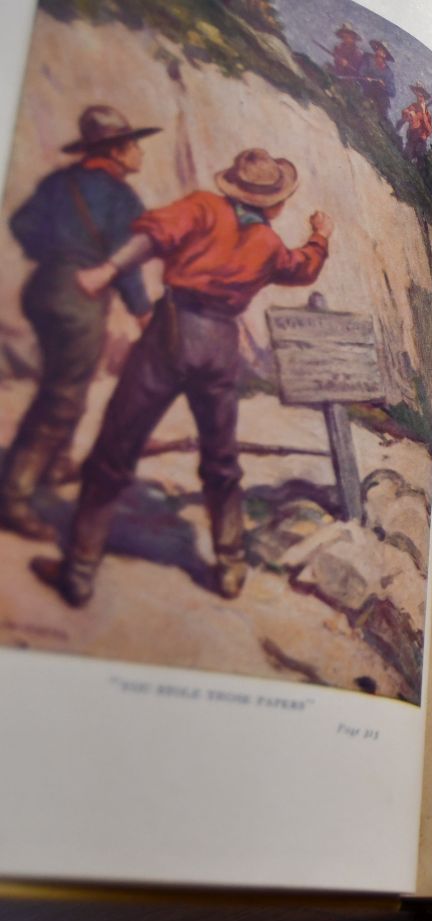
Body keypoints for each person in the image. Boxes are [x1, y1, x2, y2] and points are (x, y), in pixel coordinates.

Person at [32, 148, 333, 607]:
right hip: (219, 344)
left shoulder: (203, 207)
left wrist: (106, 271)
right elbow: (303, 267)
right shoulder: (268, 244)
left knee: (116, 445)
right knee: (221, 458)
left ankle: (78, 571)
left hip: (172, 332)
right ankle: (231, 566)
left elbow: (152, 237)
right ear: (273, 204)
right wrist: (320, 237)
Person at [2, 105, 159, 542]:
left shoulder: (59, 182)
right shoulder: (122, 198)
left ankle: (54, 466)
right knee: (63, 396)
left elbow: (21, 223)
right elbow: (125, 265)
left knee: (64, 380)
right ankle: (13, 497)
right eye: (134, 146)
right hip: (80, 299)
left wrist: (57, 257)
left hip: (44, 288)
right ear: (117, 151)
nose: (140, 154)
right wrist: (142, 312)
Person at [358, 39, 396, 124]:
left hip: (378, 97)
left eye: (382, 51)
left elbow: (392, 92)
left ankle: (383, 121)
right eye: (378, 49)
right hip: (364, 88)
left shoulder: (388, 73)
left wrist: (384, 85)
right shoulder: (368, 59)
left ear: (385, 56)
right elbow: (361, 71)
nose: (379, 52)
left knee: (383, 101)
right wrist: (366, 78)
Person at [398, 83, 432, 162]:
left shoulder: (427, 113)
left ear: (424, 97)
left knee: (417, 160)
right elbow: (404, 113)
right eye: (417, 95)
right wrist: (408, 114)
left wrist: (423, 114)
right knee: (405, 156)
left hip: (420, 143)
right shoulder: (413, 106)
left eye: (421, 96)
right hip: (411, 138)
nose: (419, 98)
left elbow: (429, 131)